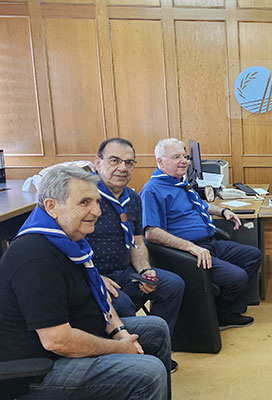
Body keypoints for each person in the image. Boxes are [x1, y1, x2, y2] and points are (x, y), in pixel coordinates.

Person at [0, 165, 171, 399]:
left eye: (97, 202)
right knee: (148, 373)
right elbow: (57, 341)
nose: (97, 211)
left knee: (156, 329)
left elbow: (99, 296)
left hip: (78, 333)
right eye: (84, 202)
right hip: (40, 367)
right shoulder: (35, 257)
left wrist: (120, 332)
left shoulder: (71, 241)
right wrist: (118, 348)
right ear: (51, 206)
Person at [140, 138, 261, 330]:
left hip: (209, 243)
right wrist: (191, 248)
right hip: (187, 253)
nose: (183, 161)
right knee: (237, 277)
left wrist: (223, 211)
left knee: (252, 256)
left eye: (185, 156)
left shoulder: (179, 183)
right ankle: (220, 317)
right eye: (176, 157)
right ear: (160, 162)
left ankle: (224, 309)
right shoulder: (152, 190)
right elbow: (151, 233)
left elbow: (200, 205)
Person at [86, 138, 185, 372]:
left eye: (129, 163)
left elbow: (137, 241)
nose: (122, 168)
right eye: (114, 160)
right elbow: (65, 247)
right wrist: (93, 277)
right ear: (98, 163)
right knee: (123, 305)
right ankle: (133, 359)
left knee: (172, 285)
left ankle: (156, 349)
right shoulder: (84, 196)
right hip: (93, 278)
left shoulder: (133, 198)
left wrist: (145, 270)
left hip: (124, 272)